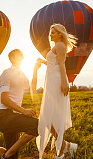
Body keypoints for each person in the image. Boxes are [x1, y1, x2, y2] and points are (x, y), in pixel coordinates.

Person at [35, 24, 78, 159]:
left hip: (57, 82)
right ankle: (64, 145)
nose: (50, 34)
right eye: (50, 32)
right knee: (49, 115)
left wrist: (65, 82)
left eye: (53, 32)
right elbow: (54, 62)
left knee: (57, 116)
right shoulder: (56, 46)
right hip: (52, 82)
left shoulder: (59, 45)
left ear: (60, 34)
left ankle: (60, 152)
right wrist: (43, 61)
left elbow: (61, 64)